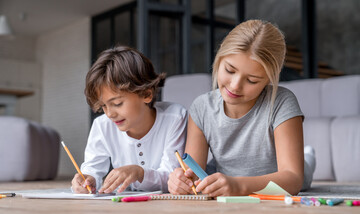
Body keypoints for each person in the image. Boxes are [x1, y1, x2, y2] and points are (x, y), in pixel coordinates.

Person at [168, 19, 316, 197]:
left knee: (305, 167)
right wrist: (181, 182)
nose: (235, 86)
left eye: (252, 80)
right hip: (227, 176)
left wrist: (237, 185)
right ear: (219, 59)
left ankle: (308, 155)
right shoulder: (201, 108)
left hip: (277, 177)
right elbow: (193, 174)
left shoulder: (282, 101)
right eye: (230, 70)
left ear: (270, 79)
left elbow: (292, 180)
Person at [71, 46, 187, 194]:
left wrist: (138, 172)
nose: (109, 114)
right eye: (103, 106)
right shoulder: (102, 126)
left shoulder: (175, 117)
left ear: (146, 94)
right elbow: (92, 169)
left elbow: (173, 178)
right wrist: (87, 180)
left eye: (117, 103)